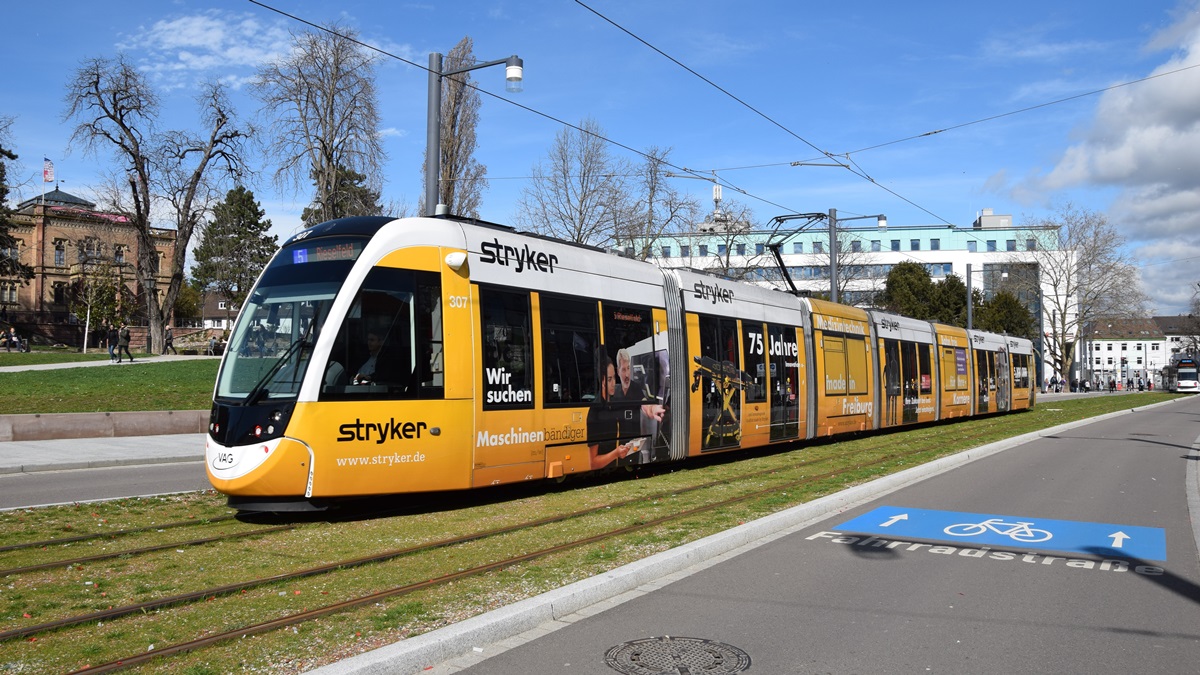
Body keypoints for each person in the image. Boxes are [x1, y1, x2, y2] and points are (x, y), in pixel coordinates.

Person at [587, 355, 633, 470]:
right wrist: (616, 454)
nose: (613, 383)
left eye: (614, 378)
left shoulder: (613, 402)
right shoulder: (594, 412)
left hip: (614, 470)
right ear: (602, 381)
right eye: (609, 379)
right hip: (602, 475)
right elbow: (593, 463)